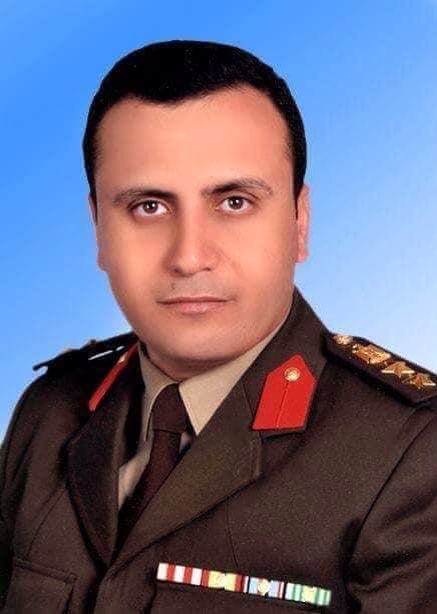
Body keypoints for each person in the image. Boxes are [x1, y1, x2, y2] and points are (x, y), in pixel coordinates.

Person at [0, 39, 436, 614]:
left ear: (300, 222)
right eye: (149, 207)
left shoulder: (414, 452)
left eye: (234, 202)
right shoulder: (48, 413)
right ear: (98, 228)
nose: (189, 257)